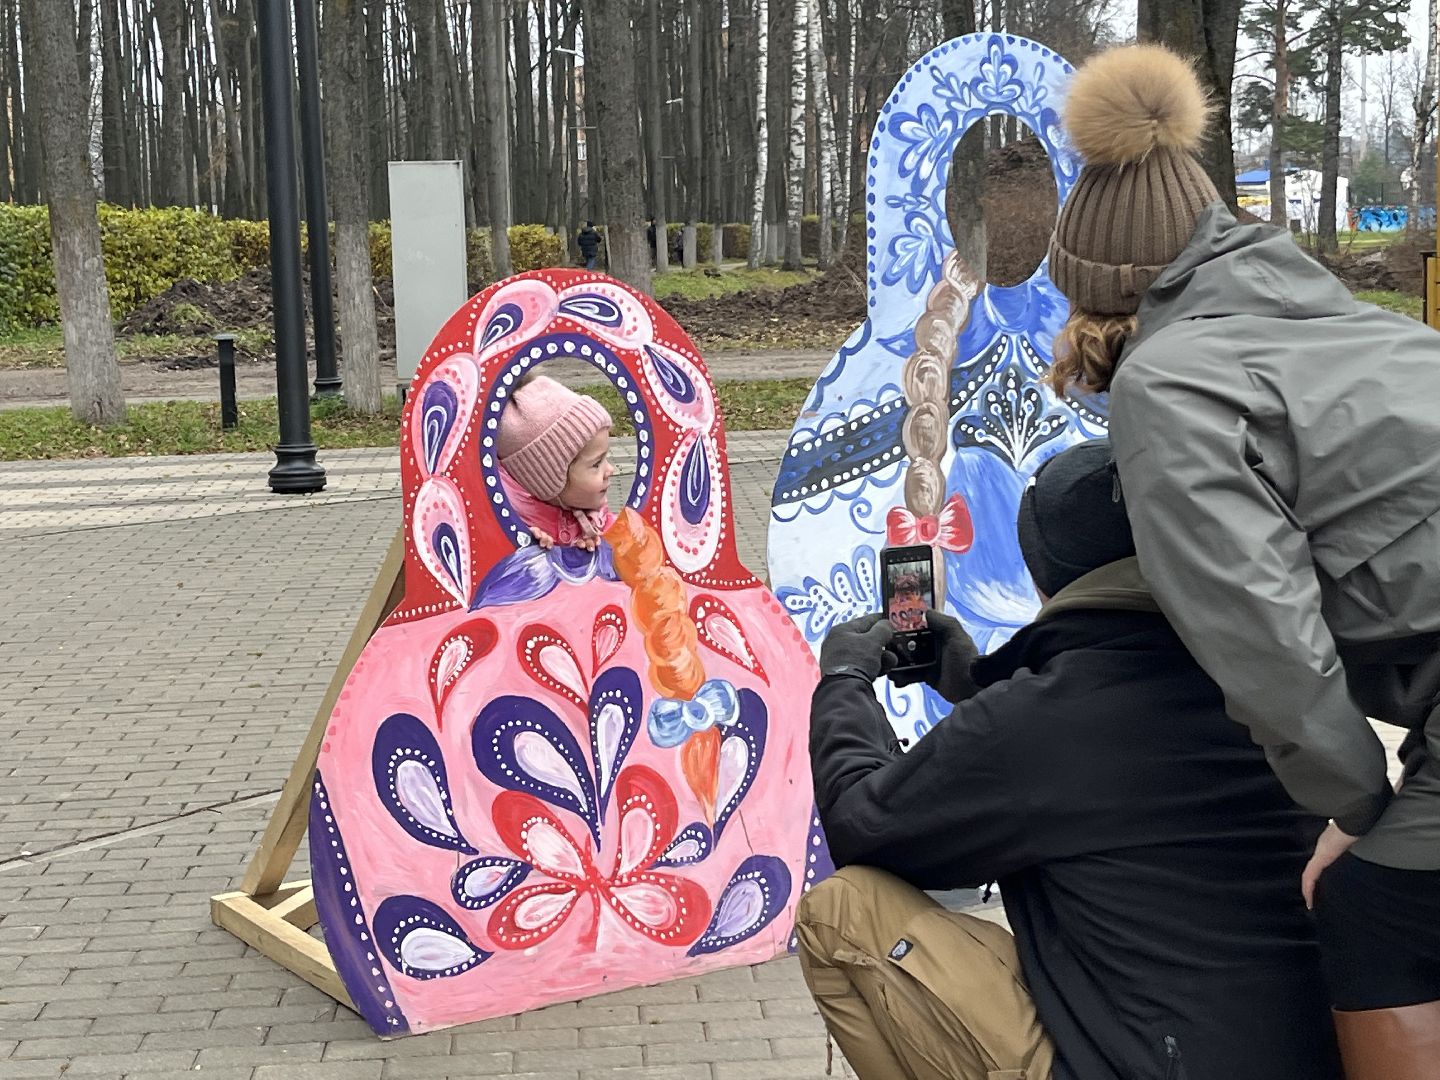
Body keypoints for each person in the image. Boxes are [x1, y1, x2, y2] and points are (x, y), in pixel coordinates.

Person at [1044, 44, 1440, 1076]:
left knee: (1375, 906)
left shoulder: (1167, 385)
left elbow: (1261, 635)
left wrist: (1357, 810)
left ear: (1098, 297)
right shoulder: (1337, 319)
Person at [798, 439, 1342, 1080]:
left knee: (843, 908)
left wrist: (844, 683)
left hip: (1143, 1062)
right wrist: (979, 681)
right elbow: (1118, 759)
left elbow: (863, 824)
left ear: (1040, 575)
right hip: (1308, 1046)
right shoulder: (1281, 674)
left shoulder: (1039, 721)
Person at [496, 373, 615, 551]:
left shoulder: (591, 511)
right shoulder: (505, 521)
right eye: (596, 464)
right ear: (547, 480)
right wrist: (526, 545)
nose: (610, 470)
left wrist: (598, 544)